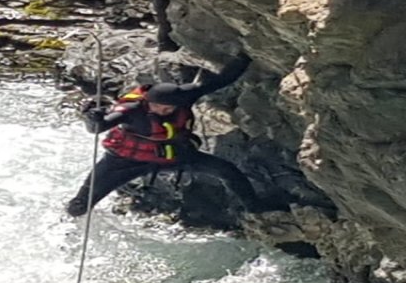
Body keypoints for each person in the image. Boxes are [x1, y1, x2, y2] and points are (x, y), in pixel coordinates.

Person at [65, 53, 282, 217]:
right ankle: (70, 227)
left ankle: (254, 209)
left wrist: (245, 57)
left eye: (169, 109)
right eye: (159, 107)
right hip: (124, 161)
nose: (164, 111)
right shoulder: (131, 110)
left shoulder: (184, 97)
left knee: (227, 171)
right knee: (82, 202)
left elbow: (221, 80)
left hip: (176, 155)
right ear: (149, 102)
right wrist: (92, 119)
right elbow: (98, 129)